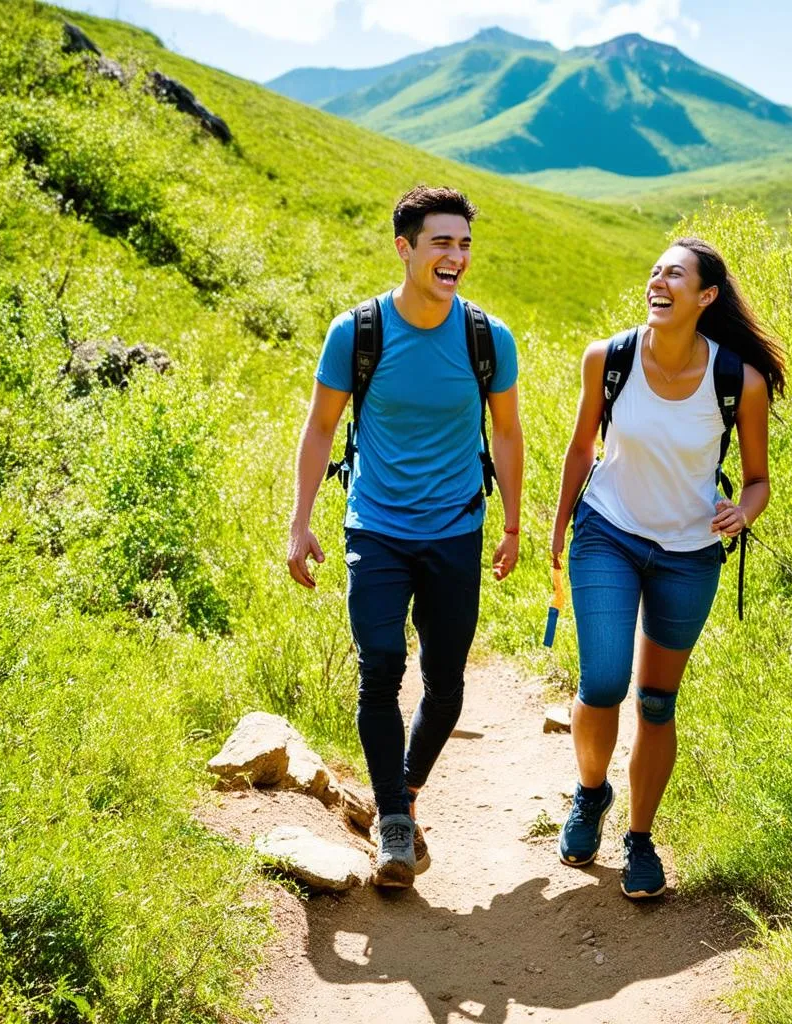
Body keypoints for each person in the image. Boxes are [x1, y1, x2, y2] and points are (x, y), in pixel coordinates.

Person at [288, 185, 524, 888]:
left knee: (446, 682)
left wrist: (513, 522)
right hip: (377, 528)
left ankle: (405, 792)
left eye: (464, 244)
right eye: (441, 243)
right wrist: (299, 523)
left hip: (458, 528)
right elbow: (321, 426)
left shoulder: (489, 337)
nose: (455, 257)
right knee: (381, 666)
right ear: (405, 248)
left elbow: (507, 432)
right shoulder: (358, 332)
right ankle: (394, 822)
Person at [549, 237, 785, 899]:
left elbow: (761, 480)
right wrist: (557, 527)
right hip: (609, 532)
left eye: (674, 274)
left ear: (705, 296)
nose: (659, 280)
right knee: (601, 681)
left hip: (689, 554)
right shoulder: (610, 358)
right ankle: (590, 795)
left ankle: (640, 838)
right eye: (654, 271)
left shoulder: (740, 379)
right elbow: (579, 449)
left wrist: (744, 511)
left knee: (657, 702)